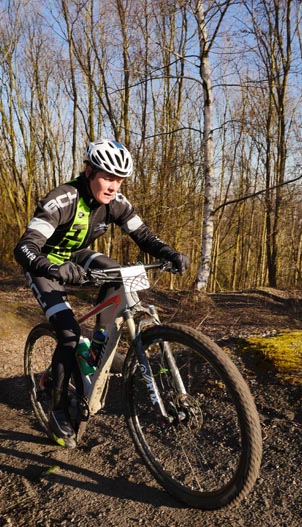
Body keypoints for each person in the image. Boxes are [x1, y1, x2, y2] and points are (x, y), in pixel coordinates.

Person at [14, 139, 189, 449]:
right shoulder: (61, 200)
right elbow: (25, 247)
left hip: (76, 256)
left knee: (118, 273)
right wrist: (50, 268)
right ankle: (57, 409)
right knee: (68, 334)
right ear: (89, 172)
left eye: (119, 179)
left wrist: (169, 253)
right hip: (45, 264)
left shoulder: (116, 202)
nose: (113, 186)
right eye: (108, 177)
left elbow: (143, 235)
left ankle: (98, 344)